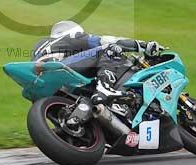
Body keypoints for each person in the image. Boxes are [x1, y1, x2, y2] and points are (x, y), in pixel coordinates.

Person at [31, 20, 163, 107]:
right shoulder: (71, 36)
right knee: (109, 48)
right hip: (59, 69)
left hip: (40, 84)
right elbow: (105, 40)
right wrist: (141, 45)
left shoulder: (40, 45)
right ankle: (105, 87)